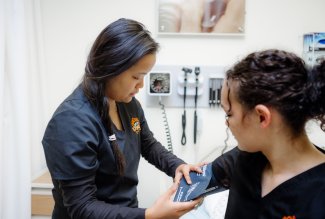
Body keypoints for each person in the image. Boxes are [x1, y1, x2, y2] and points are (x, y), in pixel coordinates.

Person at [42, 18, 203, 219]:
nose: (141, 85)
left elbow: (147, 144)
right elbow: (82, 208)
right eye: (136, 77)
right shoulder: (71, 123)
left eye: (144, 76)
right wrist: (150, 215)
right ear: (110, 68)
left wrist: (177, 166)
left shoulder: (127, 104)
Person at [206, 49, 325, 218]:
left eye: (229, 114)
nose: (227, 123)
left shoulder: (318, 196)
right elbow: (207, 174)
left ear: (262, 117)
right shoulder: (246, 160)